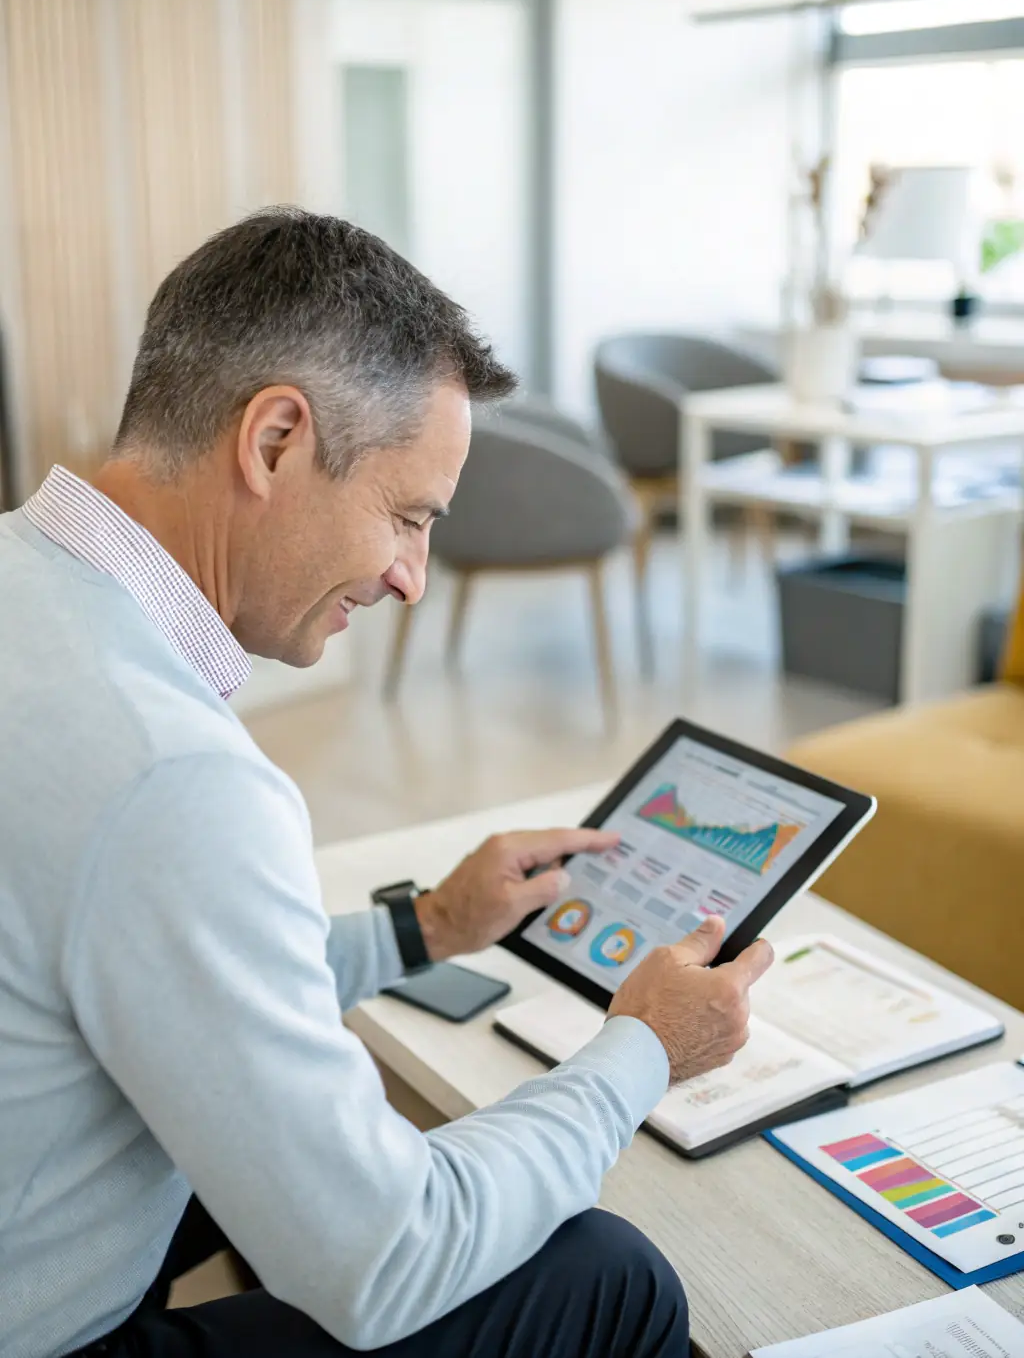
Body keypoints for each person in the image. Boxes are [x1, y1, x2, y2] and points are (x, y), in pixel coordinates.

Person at [0, 208, 773, 1358]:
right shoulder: (170, 775)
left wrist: (429, 927)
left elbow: (161, 968)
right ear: (274, 442)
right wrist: (644, 1050)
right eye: (407, 517)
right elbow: (387, 1262)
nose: (412, 577)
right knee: (607, 1278)